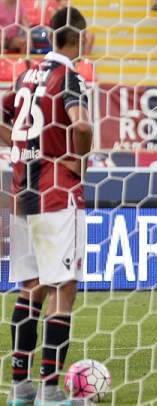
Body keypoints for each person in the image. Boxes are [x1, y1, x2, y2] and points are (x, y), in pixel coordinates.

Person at [0, 7, 93, 405]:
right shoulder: (68, 76)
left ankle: (20, 388)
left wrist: (24, 148)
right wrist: (77, 160)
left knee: (30, 288)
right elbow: (82, 124)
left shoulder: (27, 74)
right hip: (57, 194)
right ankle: (50, 391)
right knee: (62, 290)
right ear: (79, 37)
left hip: (23, 193)